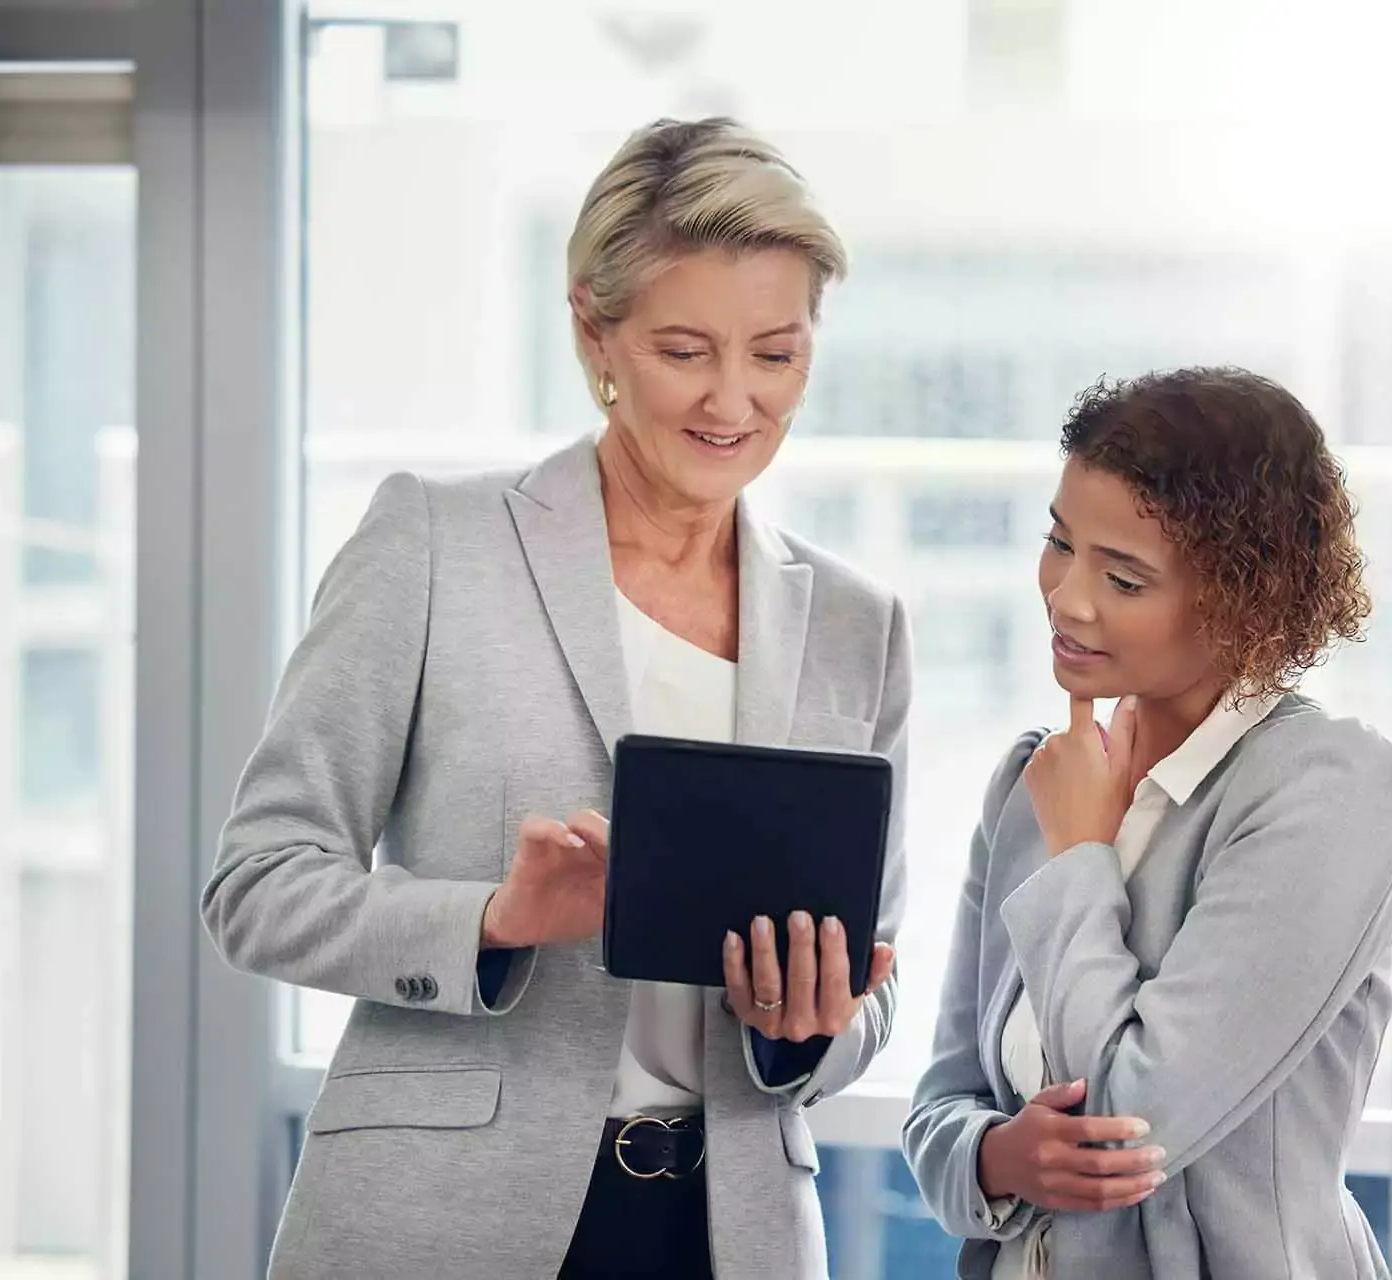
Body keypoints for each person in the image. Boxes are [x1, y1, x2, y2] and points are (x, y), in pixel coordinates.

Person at [202, 117, 909, 1280]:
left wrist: (812, 1024)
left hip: (730, 1229)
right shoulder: (435, 540)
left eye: (776, 354)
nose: (734, 400)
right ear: (596, 330)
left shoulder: (856, 621)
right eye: (686, 350)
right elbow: (258, 883)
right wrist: (493, 917)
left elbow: (874, 968)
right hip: (443, 1218)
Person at [902, 367, 1392, 1279]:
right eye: (1061, 542)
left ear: (1245, 601)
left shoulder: (1323, 787)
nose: (1066, 597)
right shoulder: (1034, 778)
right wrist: (997, 1158)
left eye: (1124, 577)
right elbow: (940, 1104)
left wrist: (1083, 856)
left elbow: (1134, 1124)